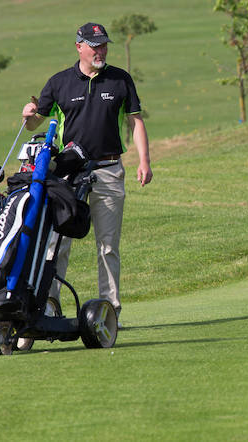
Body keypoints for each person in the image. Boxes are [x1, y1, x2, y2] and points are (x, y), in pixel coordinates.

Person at [21, 22, 153, 325]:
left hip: (108, 170)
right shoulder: (59, 83)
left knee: (108, 246)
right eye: (95, 46)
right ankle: (49, 309)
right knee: (56, 244)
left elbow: (135, 122)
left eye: (104, 45)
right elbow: (35, 122)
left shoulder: (120, 79)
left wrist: (144, 161)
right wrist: (28, 114)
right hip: (68, 175)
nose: (100, 51)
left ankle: (109, 313)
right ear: (79, 46)